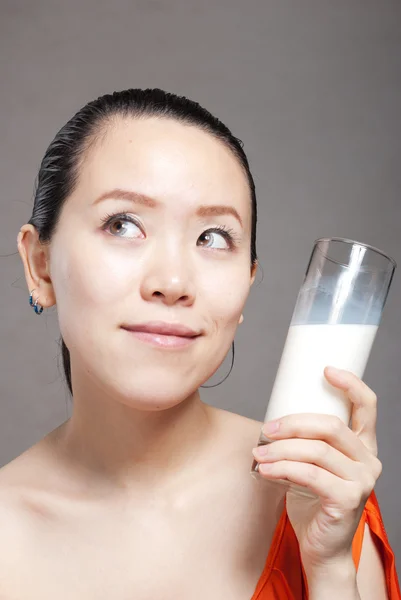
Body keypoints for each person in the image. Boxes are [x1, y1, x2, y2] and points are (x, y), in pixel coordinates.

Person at [0, 88, 398, 599]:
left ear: (247, 283)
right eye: (123, 224)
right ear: (39, 266)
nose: (173, 280)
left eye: (213, 237)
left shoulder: (320, 492)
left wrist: (329, 567)